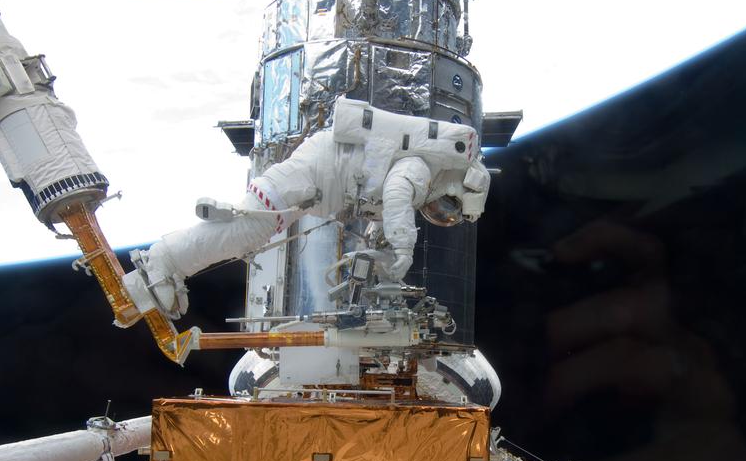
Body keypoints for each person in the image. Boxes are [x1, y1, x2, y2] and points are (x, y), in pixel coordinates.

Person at [123, 98, 490, 319]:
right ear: (457, 184)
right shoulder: (420, 170)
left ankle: (176, 267)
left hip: (313, 184)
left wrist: (384, 254)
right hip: (310, 177)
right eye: (447, 206)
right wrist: (405, 247)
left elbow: (382, 206)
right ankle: (162, 261)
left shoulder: (421, 174)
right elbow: (396, 194)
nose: (439, 212)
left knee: (252, 234)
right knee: (250, 228)